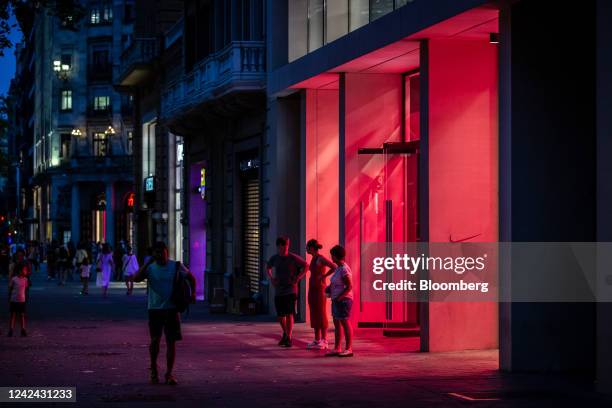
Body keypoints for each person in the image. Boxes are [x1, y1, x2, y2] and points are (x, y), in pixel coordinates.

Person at [130, 241, 196, 385]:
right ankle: (153, 369)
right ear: (153, 254)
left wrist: (193, 295)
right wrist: (147, 264)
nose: (160, 255)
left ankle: (169, 373)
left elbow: (191, 278)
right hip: (155, 309)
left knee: (171, 342)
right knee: (155, 340)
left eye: (162, 251)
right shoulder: (151, 268)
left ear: (167, 251)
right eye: (157, 252)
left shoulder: (176, 265)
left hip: (172, 309)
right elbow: (136, 278)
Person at [265, 236, 308, 347]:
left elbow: (306, 266)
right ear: (279, 246)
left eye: (287, 245)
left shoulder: (293, 257)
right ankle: (285, 332)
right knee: (280, 315)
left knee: (289, 313)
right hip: (279, 290)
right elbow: (268, 267)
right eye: (284, 246)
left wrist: (299, 277)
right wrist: (272, 278)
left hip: (291, 289)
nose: (286, 248)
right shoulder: (274, 258)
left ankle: (288, 336)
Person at [305, 239, 336, 350]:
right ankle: (317, 339)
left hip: (319, 289)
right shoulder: (313, 258)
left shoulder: (320, 258)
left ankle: (324, 340)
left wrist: (324, 276)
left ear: (312, 248)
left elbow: (334, 266)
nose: (306, 249)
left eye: (307, 247)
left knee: (321, 313)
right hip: (313, 288)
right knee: (314, 313)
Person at [325, 245, 354, 358]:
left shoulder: (344, 269)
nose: (331, 257)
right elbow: (335, 283)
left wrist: (340, 297)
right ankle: (337, 348)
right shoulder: (338, 268)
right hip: (336, 299)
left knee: (345, 323)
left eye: (332, 255)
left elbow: (349, 286)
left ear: (336, 256)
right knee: (337, 324)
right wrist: (329, 289)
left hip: (343, 300)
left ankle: (349, 348)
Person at [8, 263, 30, 337]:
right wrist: (9, 298)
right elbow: (10, 289)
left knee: (22, 315)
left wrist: (26, 298)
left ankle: (23, 329)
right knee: (13, 315)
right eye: (25, 270)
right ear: (19, 271)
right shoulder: (14, 279)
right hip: (14, 300)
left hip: (22, 300)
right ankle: (11, 329)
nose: (26, 271)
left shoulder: (25, 279)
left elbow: (26, 289)